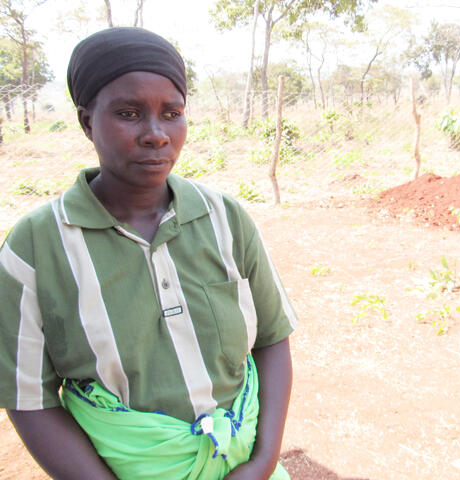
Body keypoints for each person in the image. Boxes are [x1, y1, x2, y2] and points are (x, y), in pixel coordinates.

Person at [0, 27, 297, 480]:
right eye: (129, 113)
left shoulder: (225, 218)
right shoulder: (37, 247)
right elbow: (28, 396)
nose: (156, 135)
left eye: (171, 112)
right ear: (86, 121)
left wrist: (261, 463)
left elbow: (272, 338)